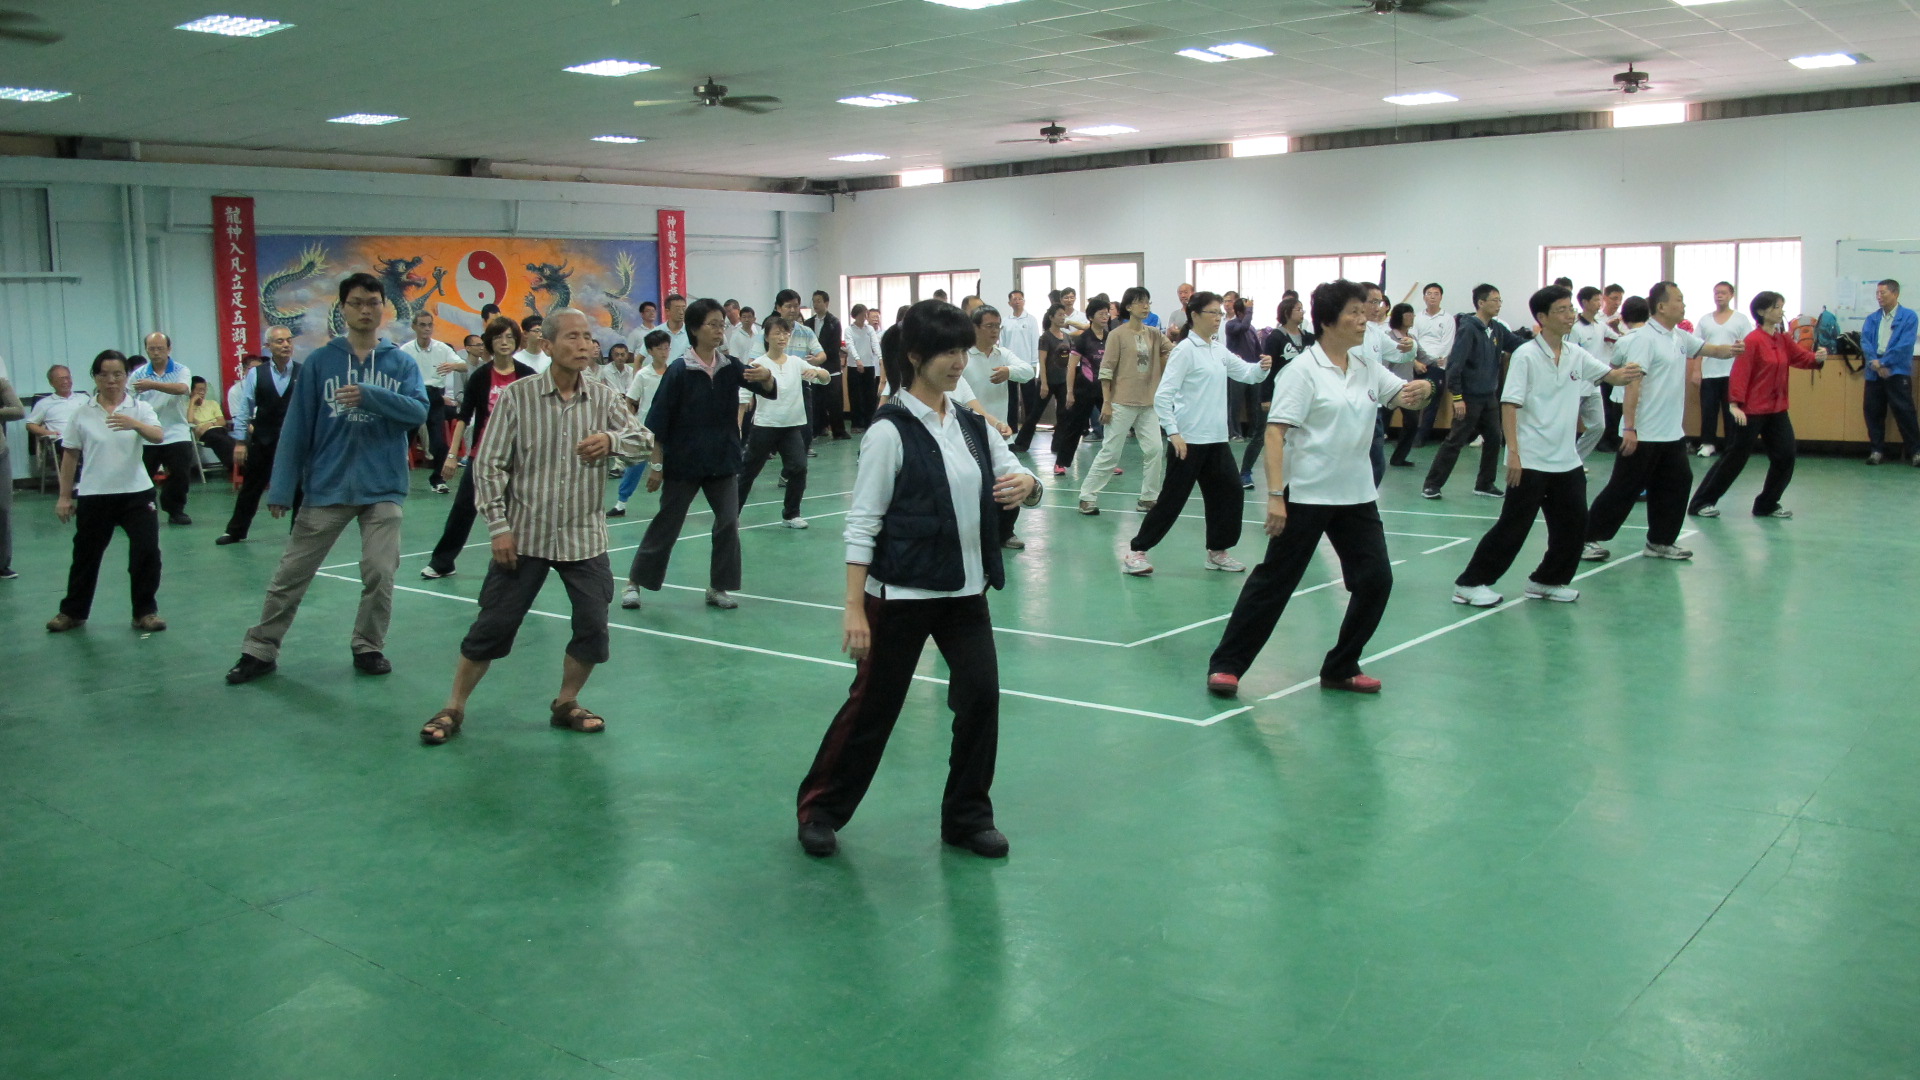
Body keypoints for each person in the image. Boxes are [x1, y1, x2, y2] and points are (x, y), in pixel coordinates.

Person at [793, 299, 1039, 859]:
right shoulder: (888, 432)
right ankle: (821, 811)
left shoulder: (972, 426)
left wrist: (1029, 486)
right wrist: (853, 606)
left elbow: (1016, 474)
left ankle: (967, 818)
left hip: (965, 593)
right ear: (914, 357)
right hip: (900, 595)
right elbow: (863, 522)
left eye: (963, 350)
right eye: (947, 352)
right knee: (873, 709)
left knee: (980, 699)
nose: (959, 362)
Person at [418, 308, 650, 745]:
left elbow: (643, 441)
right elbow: (489, 466)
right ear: (547, 345)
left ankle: (566, 703)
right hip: (524, 535)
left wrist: (612, 440)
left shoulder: (603, 398)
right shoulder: (517, 398)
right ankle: (454, 706)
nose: (584, 345)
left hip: (583, 536)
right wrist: (498, 527)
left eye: (588, 337)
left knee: (593, 626)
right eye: (572, 337)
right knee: (494, 624)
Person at [1205, 280, 1432, 697]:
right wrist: (1276, 497)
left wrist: (1424, 389)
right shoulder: (1302, 372)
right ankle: (1226, 666)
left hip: (1356, 495)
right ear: (1327, 321)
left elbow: (1403, 397)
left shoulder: (1365, 364)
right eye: (1355, 313)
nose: (1364, 320)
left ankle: (1341, 666)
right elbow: (1275, 434)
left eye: (1366, 311)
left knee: (1376, 581)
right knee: (1275, 583)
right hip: (1307, 495)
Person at [225, 272, 430, 684]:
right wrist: (283, 487)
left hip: (383, 487)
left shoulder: (401, 363)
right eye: (357, 303)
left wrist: (371, 395)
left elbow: (418, 411)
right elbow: (296, 428)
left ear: (383, 308)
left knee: (380, 572)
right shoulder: (320, 362)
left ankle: (368, 645)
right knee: (291, 574)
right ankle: (260, 649)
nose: (366, 310)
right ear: (343, 308)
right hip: (326, 485)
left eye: (373, 302)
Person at [1451, 286, 1645, 608]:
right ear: (1542, 317)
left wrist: (1631, 370)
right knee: (1513, 527)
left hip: (1566, 460)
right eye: (1562, 310)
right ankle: (1469, 584)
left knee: (1574, 526)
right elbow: (1509, 405)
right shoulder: (1526, 355)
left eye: (1571, 309)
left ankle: (1547, 580)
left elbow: (1613, 377)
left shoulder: (1575, 354)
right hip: (1530, 459)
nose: (1570, 315)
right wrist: (1513, 454)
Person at [624, 298, 776, 611]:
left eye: (722, 324)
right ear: (695, 329)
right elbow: (659, 423)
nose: (720, 330)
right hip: (684, 462)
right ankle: (635, 581)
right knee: (668, 522)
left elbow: (767, 389)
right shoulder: (679, 371)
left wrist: (767, 377)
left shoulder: (730, 366)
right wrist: (657, 466)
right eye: (713, 324)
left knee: (728, 522)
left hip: (723, 460)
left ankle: (718, 587)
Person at [1583, 281, 1742, 564]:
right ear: (1661, 306)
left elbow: (1712, 350)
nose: (1684, 304)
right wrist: (1629, 428)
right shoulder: (1644, 339)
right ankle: (1584, 538)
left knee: (1677, 483)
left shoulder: (1678, 336)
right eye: (1679, 299)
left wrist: (1735, 349)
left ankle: (1660, 542)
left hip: (1671, 434)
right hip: (1643, 432)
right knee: (1624, 488)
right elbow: (1633, 384)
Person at [1122, 291, 1270, 576]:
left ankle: (1217, 551)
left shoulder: (1218, 350)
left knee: (1230, 494)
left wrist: (1262, 368)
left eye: (1220, 313)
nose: (1218, 318)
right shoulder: (1184, 351)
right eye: (1213, 312)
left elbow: (1247, 374)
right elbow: (1163, 396)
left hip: (1216, 440)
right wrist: (1173, 433)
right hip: (1187, 441)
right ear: (1194, 315)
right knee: (1172, 500)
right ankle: (1136, 551)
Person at [45, 351, 166, 628]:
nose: (111, 380)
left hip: (137, 493)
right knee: (85, 555)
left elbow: (158, 435)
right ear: (95, 377)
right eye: (104, 374)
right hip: (95, 494)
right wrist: (64, 496)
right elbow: (70, 455)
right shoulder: (82, 413)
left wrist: (134, 424)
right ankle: (73, 612)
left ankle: (145, 611)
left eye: (117, 374)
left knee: (146, 552)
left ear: (126, 377)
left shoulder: (140, 408)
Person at [1688, 290, 1826, 519]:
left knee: (1785, 455)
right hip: (1750, 411)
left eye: (1781, 306)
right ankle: (1701, 502)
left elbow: (1801, 358)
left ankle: (1766, 504)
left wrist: (1817, 359)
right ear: (1762, 312)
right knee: (1735, 458)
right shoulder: (1752, 340)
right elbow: (1740, 373)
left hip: (1776, 409)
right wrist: (1734, 404)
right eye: (1776, 307)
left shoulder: (1782, 339)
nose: (1781, 311)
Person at [422, 317, 535, 577]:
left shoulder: (528, 375)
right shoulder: (480, 377)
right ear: (490, 343)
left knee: (522, 510)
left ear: (517, 341)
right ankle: (442, 562)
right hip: (482, 454)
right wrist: (452, 455)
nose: (504, 342)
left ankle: (524, 560)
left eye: (509, 337)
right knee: (463, 508)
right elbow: (463, 418)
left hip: (518, 456)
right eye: (498, 337)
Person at [1422, 284, 1527, 500]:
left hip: (1489, 396)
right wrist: (1457, 397)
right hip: (1468, 397)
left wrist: (1543, 342)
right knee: (1455, 440)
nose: (1499, 304)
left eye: (1500, 300)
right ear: (1481, 303)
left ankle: (1485, 484)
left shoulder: (1497, 329)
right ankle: (1432, 485)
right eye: (1495, 300)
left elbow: (1518, 344)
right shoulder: (1468, 329)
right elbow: (1455, 366)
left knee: (1494, 438)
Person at [1080, 286, 1169, 515]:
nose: (1145, 306)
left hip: (1148, 403)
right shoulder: (1117, 335)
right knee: (1111, 452)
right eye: (1140, 302)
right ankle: (1087, 496)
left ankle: (1148, 498)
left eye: (1148, 301)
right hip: (1121, 403)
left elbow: (1175, 351)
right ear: (1128, 306)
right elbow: (1106, 370)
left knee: (1155, 450)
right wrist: (1107, 402)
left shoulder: (1154, 334)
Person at [737, 315, 829, 528]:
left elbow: (825, 378)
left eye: (785, 333)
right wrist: (738, 423)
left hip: (791, 426)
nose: (782, 337)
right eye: (777, 333)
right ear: (766, 337)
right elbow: (743, 395)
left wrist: (817, 371)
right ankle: (731, 514)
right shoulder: (759, 364)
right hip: (765, 426)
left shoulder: (796, 362)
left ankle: (791, 515)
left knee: (799, 467)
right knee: (748, 471)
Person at [957, 304, 1037, 545]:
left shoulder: (1003, 354)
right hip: (968, 432)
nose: (995, 331)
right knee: (975, 486)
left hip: (1001, 432)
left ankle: (1006, 531)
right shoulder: (963, 357)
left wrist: (1009, 372)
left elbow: (1028, 371)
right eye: (989, 326)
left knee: (1007, 482)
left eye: (997, 326)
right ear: (974, 328)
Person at [218, 329, 301, 545]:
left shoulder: (303, 372)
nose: (286, 345)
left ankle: (299, 533)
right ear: (268, 346)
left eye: (289, 340)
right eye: (280, 341)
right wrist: (240, 442)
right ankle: (236, 531)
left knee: (300, 488)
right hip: (263, 440)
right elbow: (245, 409)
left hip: (294, 441)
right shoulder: (256, 374)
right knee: (251, 488)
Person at [1243, 298, 1314, 487]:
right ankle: (1245, 472)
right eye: (1298, 309)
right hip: (1275, 393)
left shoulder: (1308, 338)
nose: (1302, 312)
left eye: (1302, 308)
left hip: (1299, 395)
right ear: (1287, 312)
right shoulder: (1275, 337)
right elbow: (1268, 369)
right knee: (1262, 434)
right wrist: (1265, 398)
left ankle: (1296, 474)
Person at [128, 332, 195, 525]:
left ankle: (175, 510)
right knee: (142, 475)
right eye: (152, 349)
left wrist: (152, 385)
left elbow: (182, 388)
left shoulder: (181, 370)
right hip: (147, 434)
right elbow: (127, 398)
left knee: (180, 475)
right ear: (146, 350)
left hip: (177, 432)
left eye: (160, 348)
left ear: (169, 349)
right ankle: (141, 509)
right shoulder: (138, 375)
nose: (156, 352)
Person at [610, 330, 674, 517]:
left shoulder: (674, 373)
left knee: (672, 468)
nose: (664, 352)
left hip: (670, 428)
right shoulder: (643, 375)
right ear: (650, 351)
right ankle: (621, 504)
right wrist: (631, 423)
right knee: (635, 466)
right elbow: (630, 400)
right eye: (660, 348)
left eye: (667, 348)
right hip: (645, 427)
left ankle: (670, 504)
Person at [398, 310, 464, 490]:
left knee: (439, 443)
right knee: (403, 440)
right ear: (414, 327)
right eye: (422, 325)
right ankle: (397, 478)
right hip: (413, 396)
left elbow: (464, 366)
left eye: (429, 325)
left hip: (434, 397)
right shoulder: (405, 350)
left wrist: (453, 365)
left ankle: (438, 480)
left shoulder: (442, 348)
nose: (427, 329)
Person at [1860, 278, 1918, 466]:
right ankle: (1876, 450)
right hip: (1874, 371)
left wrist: (1884, 362)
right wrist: (1875, 363)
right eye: (1877, 293)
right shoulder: (1872, 318)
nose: (1879, 296)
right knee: (1873, 411)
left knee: (1905, 412)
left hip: (1897, 371)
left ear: (1895, 293)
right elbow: (1865, 342)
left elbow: (1904, 345)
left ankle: (1916, 452)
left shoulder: (1909, 317)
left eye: (1882, 293)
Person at [1692, 281, 1752, 459]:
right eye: (1716, 292)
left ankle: (1731, 445)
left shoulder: (1741, 319)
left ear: (1731, 295)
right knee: (1708, 410)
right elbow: (1697, 347)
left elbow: (1748, 346)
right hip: (1709, 373)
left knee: (1730, 411)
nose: (1719, 296)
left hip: (1732, 374)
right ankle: (1707, 443)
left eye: (1723, 293)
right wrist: (1696, 371)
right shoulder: (1705, 320)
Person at [1051, 297, 1109, 475]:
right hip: (1084, 390)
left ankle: (1110, 462)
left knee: (1112, 428)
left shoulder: (1111, 338)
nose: (1105, 317)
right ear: (1091, 317)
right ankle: (1061, 463)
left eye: (1107, 313)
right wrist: (1070, 392)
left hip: (1105, 390)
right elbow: (1071, 367)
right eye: (1101, 314)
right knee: (1074, 427)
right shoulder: (1083, 339)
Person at [1012, 303, 1073, 454]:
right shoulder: (1045, 337)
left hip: (1062, 382)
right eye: (1059, 315)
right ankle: (1021, 443)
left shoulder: (1066, 336)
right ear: (1051, 317)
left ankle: (1058, 445)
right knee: (1035, 414)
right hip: (1047, 382)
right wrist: (1044, 383)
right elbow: (1042, 361)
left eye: (1064, 315)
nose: (1062, 318)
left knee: (1063, 414)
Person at [1384, 302, 1438, 468]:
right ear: (1399, 317)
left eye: (1412, 314)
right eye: (1408, 315)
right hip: (1389, 388)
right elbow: (1384, 364)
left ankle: (1399, 458)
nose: (1411, 317)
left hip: (1407, 388)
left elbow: (1424, 357)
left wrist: (1440, 361)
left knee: (1412, 423)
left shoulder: (1412, 339)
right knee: (1381, 424)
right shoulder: (1389, 337)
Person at [1567, 287, 1610, 463]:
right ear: (1585, 303)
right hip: (1575, 385)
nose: (1599, 304)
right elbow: (1568, 356)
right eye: (1596, 300)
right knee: (1566, 427)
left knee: (1598, 426)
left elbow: (1619, 338)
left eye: (1600, 300)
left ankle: (1575, 460)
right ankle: (1562, 463)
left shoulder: (1601, 326)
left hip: (1594, 385)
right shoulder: (1575, 328)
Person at [808, 289, 849, 441]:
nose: (816, 304)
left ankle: (838, 431)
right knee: (816, 400)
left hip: (831, 368)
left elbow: (834, 346)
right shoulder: (808, 323)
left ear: (826, 303)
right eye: (814, 301)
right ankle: (819, 429)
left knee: (834, 401)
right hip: (814, 368)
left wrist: (819, 357)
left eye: (819, 301)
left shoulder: (834, 322)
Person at [1001, 289, 1041, 439]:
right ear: (1009, 303)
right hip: (1009, 366)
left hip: (1026, 365)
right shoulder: (1005, 321)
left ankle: (1030, 427)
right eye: (1014, 299)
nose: (1017, 301)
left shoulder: (1031, 320)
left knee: (1029, 398)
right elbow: (1002, 343)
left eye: (1020, 299)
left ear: (1024, 301)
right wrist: (1003, 362)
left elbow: (1035, 342)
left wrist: (1034, 363)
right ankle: (1012, 427)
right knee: (1011, 398)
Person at [24, 363, 88, 444]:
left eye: (68, 378)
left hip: (87, 438)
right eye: (61, 379)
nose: (66, 381)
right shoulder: (44, 403)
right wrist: (48, 433)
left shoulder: (85, 398)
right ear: (51, 383)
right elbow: (30, 425)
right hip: (63, 440)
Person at [187, 376, 237, 475]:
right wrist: (192, 402)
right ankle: (235, 468)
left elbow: (222, 421)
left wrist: (209, 424)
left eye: (204, 389)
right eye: (199, 390)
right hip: (204, 434)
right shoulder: (186, 405)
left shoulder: (212, 403)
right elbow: (189, 421)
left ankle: (235, 467)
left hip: (219, 429)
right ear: (191, 391)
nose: (202, 392)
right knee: (223, 440)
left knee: (230, 440)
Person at [845, 303, 882, 430]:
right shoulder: (849, 330)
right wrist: (857, 360)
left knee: (870, 396)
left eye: (865, 314)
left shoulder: (869, 329)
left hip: (869, 365)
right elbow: (850, 346)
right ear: (855, 315)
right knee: (856, 396)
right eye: (862, 314)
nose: (864, 317)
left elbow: (875, 344)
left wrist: (880, 357)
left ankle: (869, 422)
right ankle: (856, 424)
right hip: (854, 366)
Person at [0, 370, 20, 579]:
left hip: (0, 453)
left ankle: (2, 563)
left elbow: (18, 410)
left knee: (3, 509)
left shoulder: (1, 383)